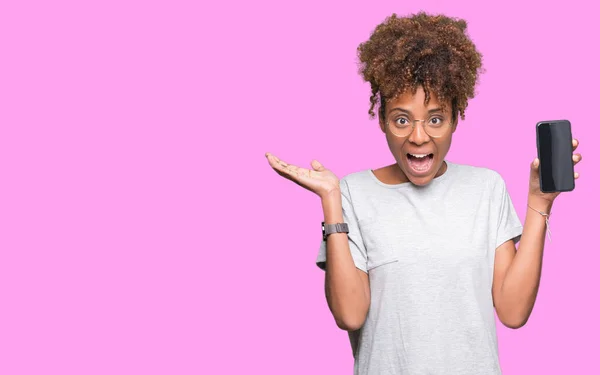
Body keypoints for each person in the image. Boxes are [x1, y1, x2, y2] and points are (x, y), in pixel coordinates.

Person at [265, 12, 582, 375]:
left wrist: (539, 204)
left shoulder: (486, 188)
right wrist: (332, 203)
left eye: (435, 118)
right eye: (402, 119)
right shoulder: (352, 192)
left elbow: (512, 311)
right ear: (382, 120)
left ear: (455, 119)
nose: (418, 137)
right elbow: (349, 314)